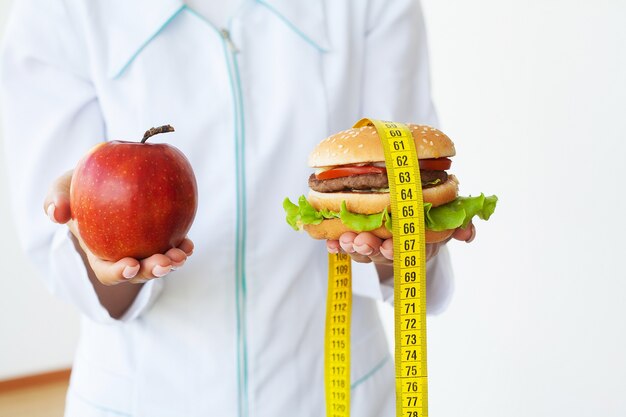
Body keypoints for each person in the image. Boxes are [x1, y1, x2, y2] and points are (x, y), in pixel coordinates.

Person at [1, 0, 474, 416]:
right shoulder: (57, 9)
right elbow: (63, 262)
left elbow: (408, 169)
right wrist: (99, 249)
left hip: (334, 391)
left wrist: (406, 240)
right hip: (142, 395)